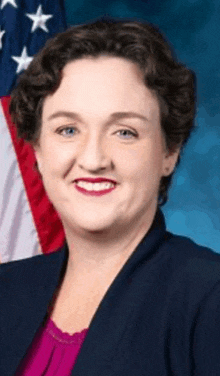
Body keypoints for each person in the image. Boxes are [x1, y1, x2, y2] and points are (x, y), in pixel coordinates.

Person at [1, 18, 220, 376]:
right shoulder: (6, 290)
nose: (93, 159)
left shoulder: (208, 299)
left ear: (169, 151)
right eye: (68, 129)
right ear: (37, 149)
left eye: (124, 132)